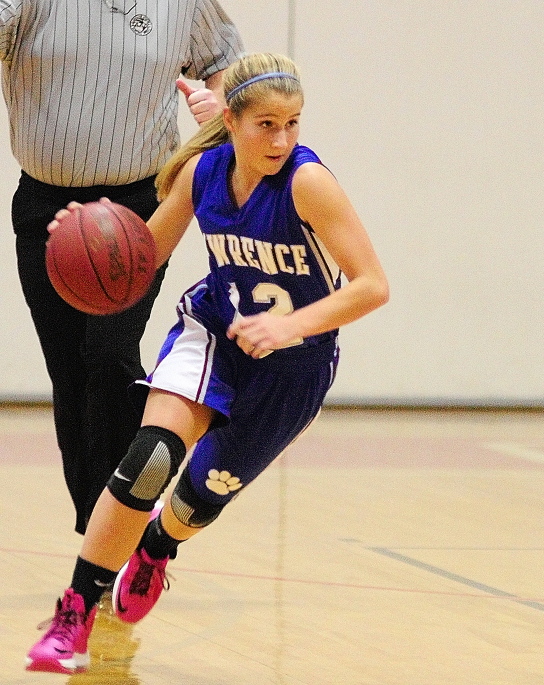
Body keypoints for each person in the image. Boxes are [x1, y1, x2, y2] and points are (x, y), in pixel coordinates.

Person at [24, 51, 390, 674]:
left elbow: (371, 285)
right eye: (266, 124)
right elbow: (139, 262)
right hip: (214, 333)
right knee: (151, 459)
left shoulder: (308, 183)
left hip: (293, 366)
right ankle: (75, 614)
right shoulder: (203, 172)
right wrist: (82, 235)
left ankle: (160, 546)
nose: (282, 138)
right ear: (232, 118)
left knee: (199, 500)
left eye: (293, 124)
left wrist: (289, 325)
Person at [4, 0, 244, 535]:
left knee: (110, 358)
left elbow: (225, 57)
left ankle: (121, 527)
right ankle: (98, 531)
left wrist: (220, 108)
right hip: (48, 208)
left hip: (139, 209)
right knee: (69, 372)